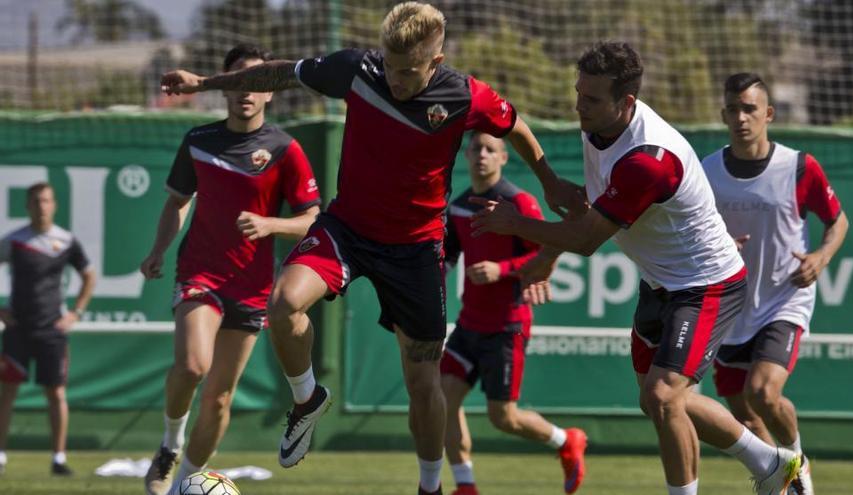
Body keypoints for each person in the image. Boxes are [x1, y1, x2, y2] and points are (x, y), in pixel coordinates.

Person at [160, 3, 558, 493]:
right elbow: (281, 72)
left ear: (435, 62)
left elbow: (514, 126)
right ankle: (307, 399)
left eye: (408, 71)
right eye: (390, 65)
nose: (395, 79)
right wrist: (203, 85)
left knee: (423, 386)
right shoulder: (358, 70)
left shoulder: (463, 94)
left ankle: (431, 485)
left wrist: (551, 181)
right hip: (347, 228)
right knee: (283, 303)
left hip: (415, 250)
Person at [470, 41, 802, 495]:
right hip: (659, 281)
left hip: (706, 284)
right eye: (578, 93)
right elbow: (587, 213)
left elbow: (588, 240)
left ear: (626, 102)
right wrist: (547, 254)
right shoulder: (597, 126)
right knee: (659, 400)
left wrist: (516, 223)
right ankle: (771, 461)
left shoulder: (650, 159)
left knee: (664, 398)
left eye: (591, 98)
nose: (578, 105)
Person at [140, 43, 321, 495]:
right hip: (200, 273)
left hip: (252, 286)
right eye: (238, 79)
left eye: (257, 82)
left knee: (220, 399)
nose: (247, 90)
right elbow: (177, 202)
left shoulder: (285, 149)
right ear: (224, 87)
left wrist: (270, 224)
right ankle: (169, 445)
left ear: (270, 94)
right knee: (192, 366)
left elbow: (312, 219)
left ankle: (185, 484)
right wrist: (159, 248)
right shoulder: (200, 141)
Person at [703, 73, 849, 495]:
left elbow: (837, 221)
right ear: (724, 114)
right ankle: (780, 481)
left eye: (749, 108)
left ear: (768, 114)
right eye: (733, 108)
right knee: (745, 415)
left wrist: (821, 257)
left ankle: (798, 464)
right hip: (730, 309)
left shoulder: (799, 166)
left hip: (784, 300)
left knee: (764, 393)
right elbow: (694, 229)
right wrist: (719, 242)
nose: (741, 117)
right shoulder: (707, 171)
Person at [441, 132, 587, 495]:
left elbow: (547, 250)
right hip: (468, 324)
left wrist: (502, 269)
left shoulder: (518, 202)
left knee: (502, 417)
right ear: (467, 155)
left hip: (506, 325)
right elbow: (447, 256)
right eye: (476, 149)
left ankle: (565, 439)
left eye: (491, 150)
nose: (482, 155)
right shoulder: (459, 206)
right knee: (442, 400)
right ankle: (465, 485)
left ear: (504, 157)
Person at [0, 182, 96, 476]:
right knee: (6, 392)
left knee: (56, 394)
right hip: (17, 330)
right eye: (36, 201)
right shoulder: (14, 241)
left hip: (52, 332)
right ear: (27, 206)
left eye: (46, 201)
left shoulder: (66, 241)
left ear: (54, 205)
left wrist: (76, 313)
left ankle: (58, 457)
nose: (41, 206)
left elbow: (89, 276)